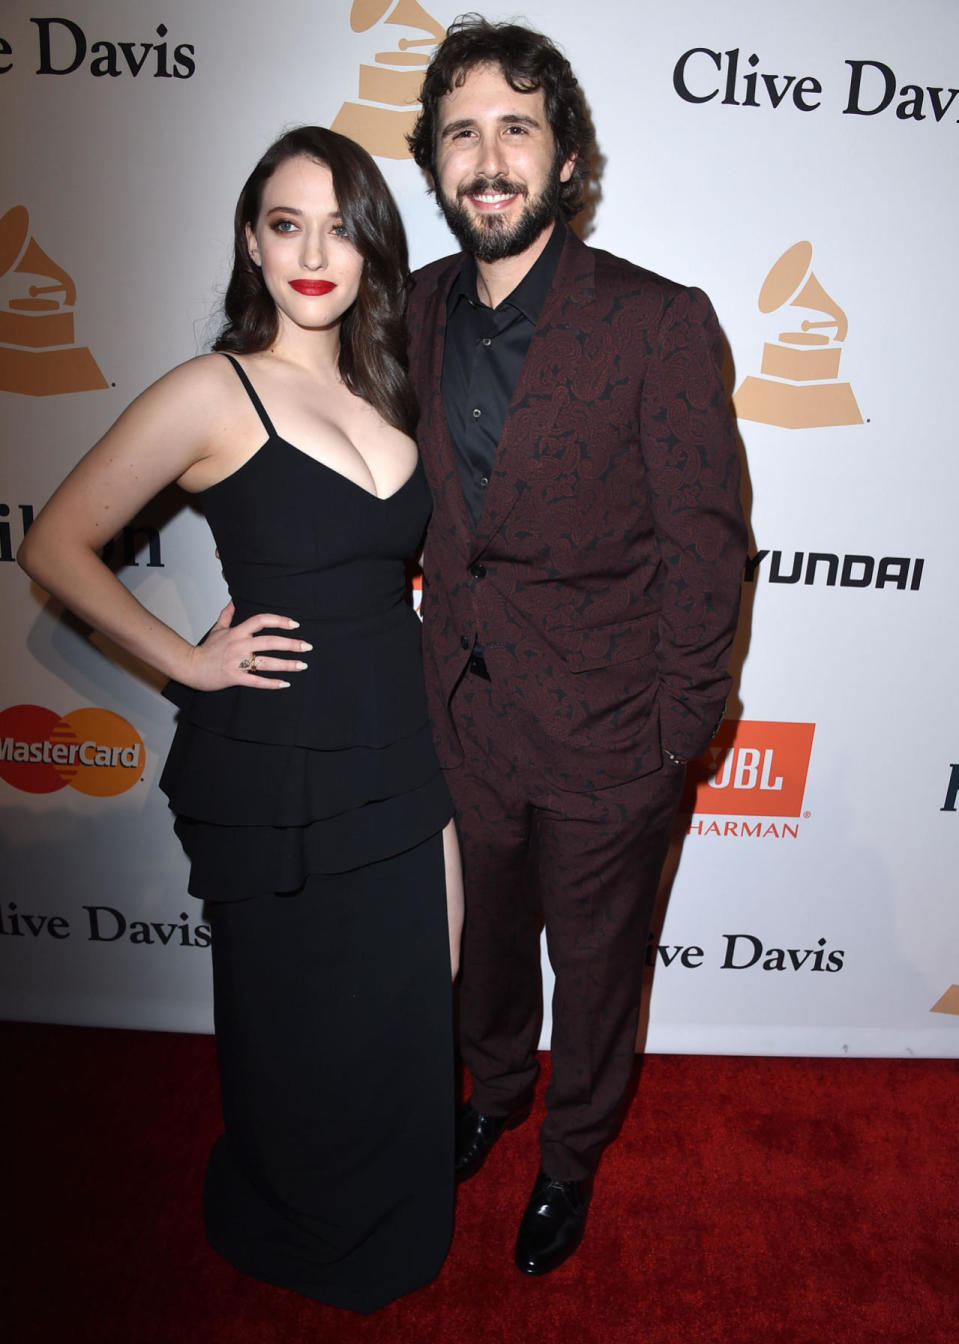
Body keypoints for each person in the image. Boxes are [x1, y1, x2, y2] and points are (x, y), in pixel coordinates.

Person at [18, 126, 463, 1313]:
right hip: (278, 762)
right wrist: (189, 665)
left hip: (400, 733)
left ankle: (397, 1205)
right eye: (284, 223)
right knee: (297, 1016)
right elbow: (54, 544)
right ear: (250, 244)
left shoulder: (387, 387)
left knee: (412, 991)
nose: (312, 251)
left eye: (339, 225)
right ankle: (302, 1217)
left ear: (371, 247)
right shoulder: (210, 389)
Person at [406, 17, 747, 1276]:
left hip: (612, 734)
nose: (486, 158)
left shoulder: (657, 321)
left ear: (562, 160)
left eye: (514, 129)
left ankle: (571, 1154)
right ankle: (493, 1091)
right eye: (460, 133)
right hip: (460, 721)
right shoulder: (417, 307)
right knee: (482, 946)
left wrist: (672, 738)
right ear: (434, 163)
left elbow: (708, 549)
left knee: (596, 972)